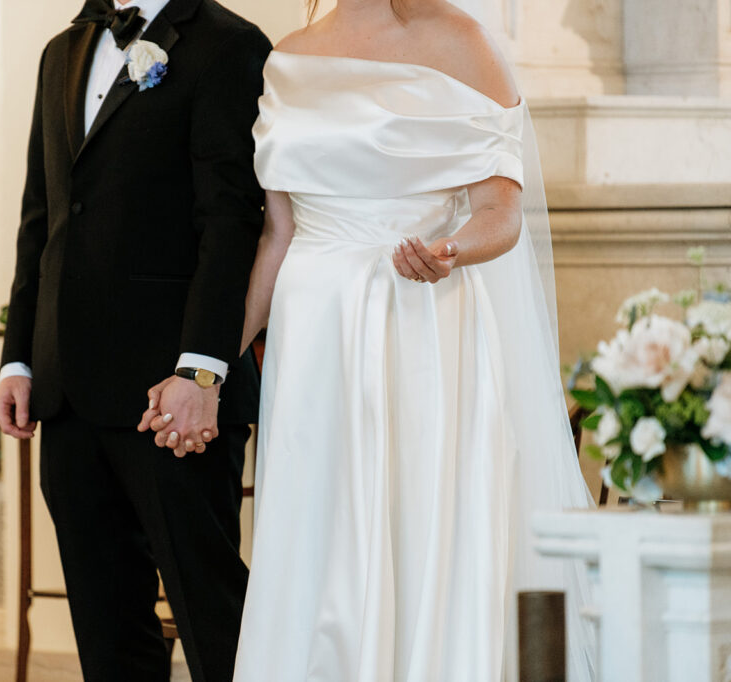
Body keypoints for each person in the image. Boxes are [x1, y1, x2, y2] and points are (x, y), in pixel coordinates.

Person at [226, 0, 596, 679]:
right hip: (312, 348)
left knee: (423, 527)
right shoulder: (287, 58)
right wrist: (213, 364)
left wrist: (450, 249)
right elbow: (278, 237)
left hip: (423, 324)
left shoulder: (465, 43)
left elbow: (500, 211)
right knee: (317, 537)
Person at [0, 0, 270, 679]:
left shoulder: (230, 46)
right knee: (107, 628)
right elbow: (42, 211)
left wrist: (203, 370)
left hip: (170, 395)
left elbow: (231, 219)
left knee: (213, 618)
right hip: (66, 391)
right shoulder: (62, 51)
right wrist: (20, 354)